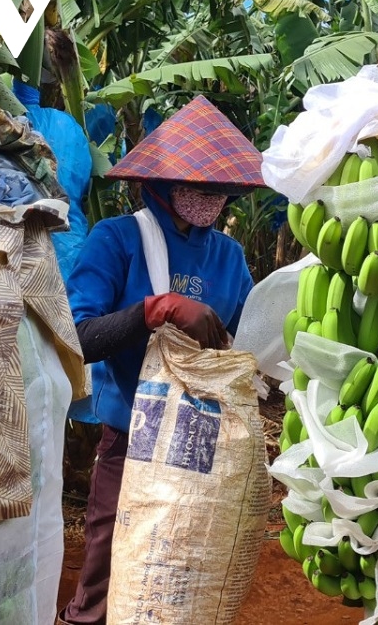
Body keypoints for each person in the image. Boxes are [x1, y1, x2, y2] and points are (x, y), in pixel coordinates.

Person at [58, 96, 265, 625]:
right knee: (109, 565)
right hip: (132, 435)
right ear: (161, 184)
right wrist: (159, 310)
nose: (211, 200)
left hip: (204, 440)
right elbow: (78, 337)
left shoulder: (227, 257)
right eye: (199, 188)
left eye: (219, 191)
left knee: (181, 570)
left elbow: (245, 343)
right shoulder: (119, 241)